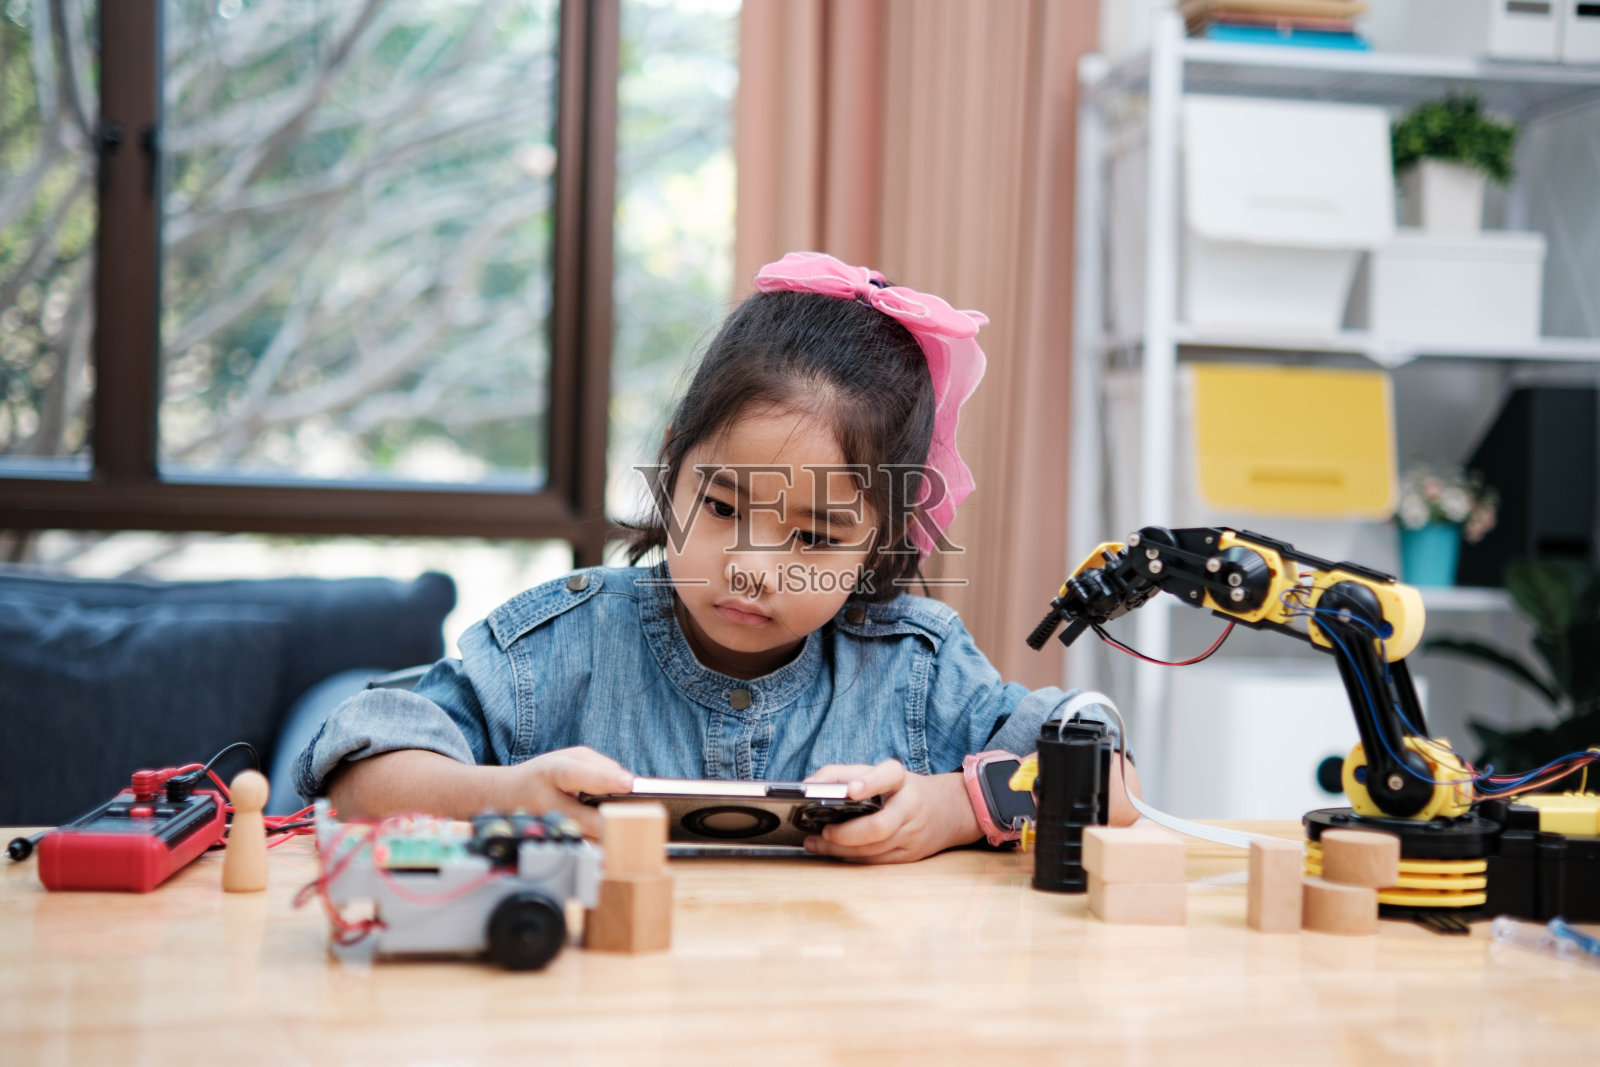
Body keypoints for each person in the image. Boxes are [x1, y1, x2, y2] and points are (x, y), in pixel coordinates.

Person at [296, 251, 1139, 864]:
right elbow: (358, 768)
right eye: (725, 505)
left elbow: (1111, 778)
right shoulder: (555, 647)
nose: (754, 567)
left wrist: (954, 804)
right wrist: (507, 793)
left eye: (815, 536)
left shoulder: (914, 667)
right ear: (672, 470)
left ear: (881, 538)